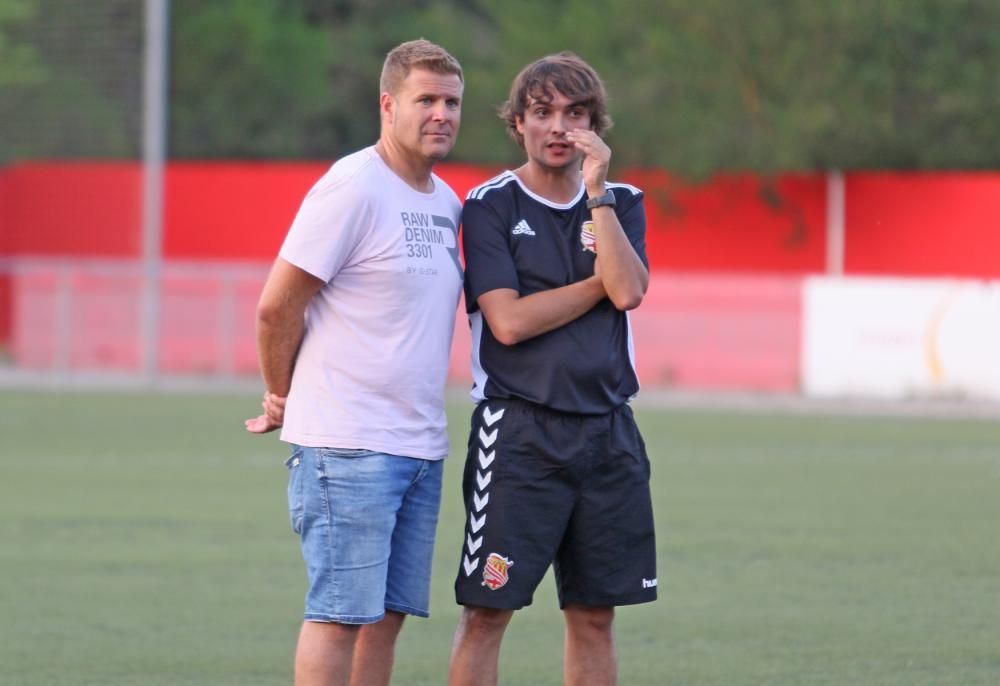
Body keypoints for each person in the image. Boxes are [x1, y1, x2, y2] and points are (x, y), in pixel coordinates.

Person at [244, 39, 464, 686]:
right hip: (348, 446)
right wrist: (278, 392)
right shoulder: (353, 186)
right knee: (340, 615)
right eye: (425, 100)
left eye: (452, 102)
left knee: (386, 617)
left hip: (420, 446)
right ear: (388, 104)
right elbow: (276, 307)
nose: (441, 114)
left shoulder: (447, 202)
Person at [447, 52, 657, 686]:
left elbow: (630, 292)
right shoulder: (488, 205)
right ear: (518, 123)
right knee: (488, 612)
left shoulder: (620, 200)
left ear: (596, 126)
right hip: (520, 434)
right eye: (542, 113)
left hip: (609, 435)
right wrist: (600, 283)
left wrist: (596, 193)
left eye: (575, 113)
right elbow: (508, 323)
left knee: (595, 616)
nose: (559, 127)